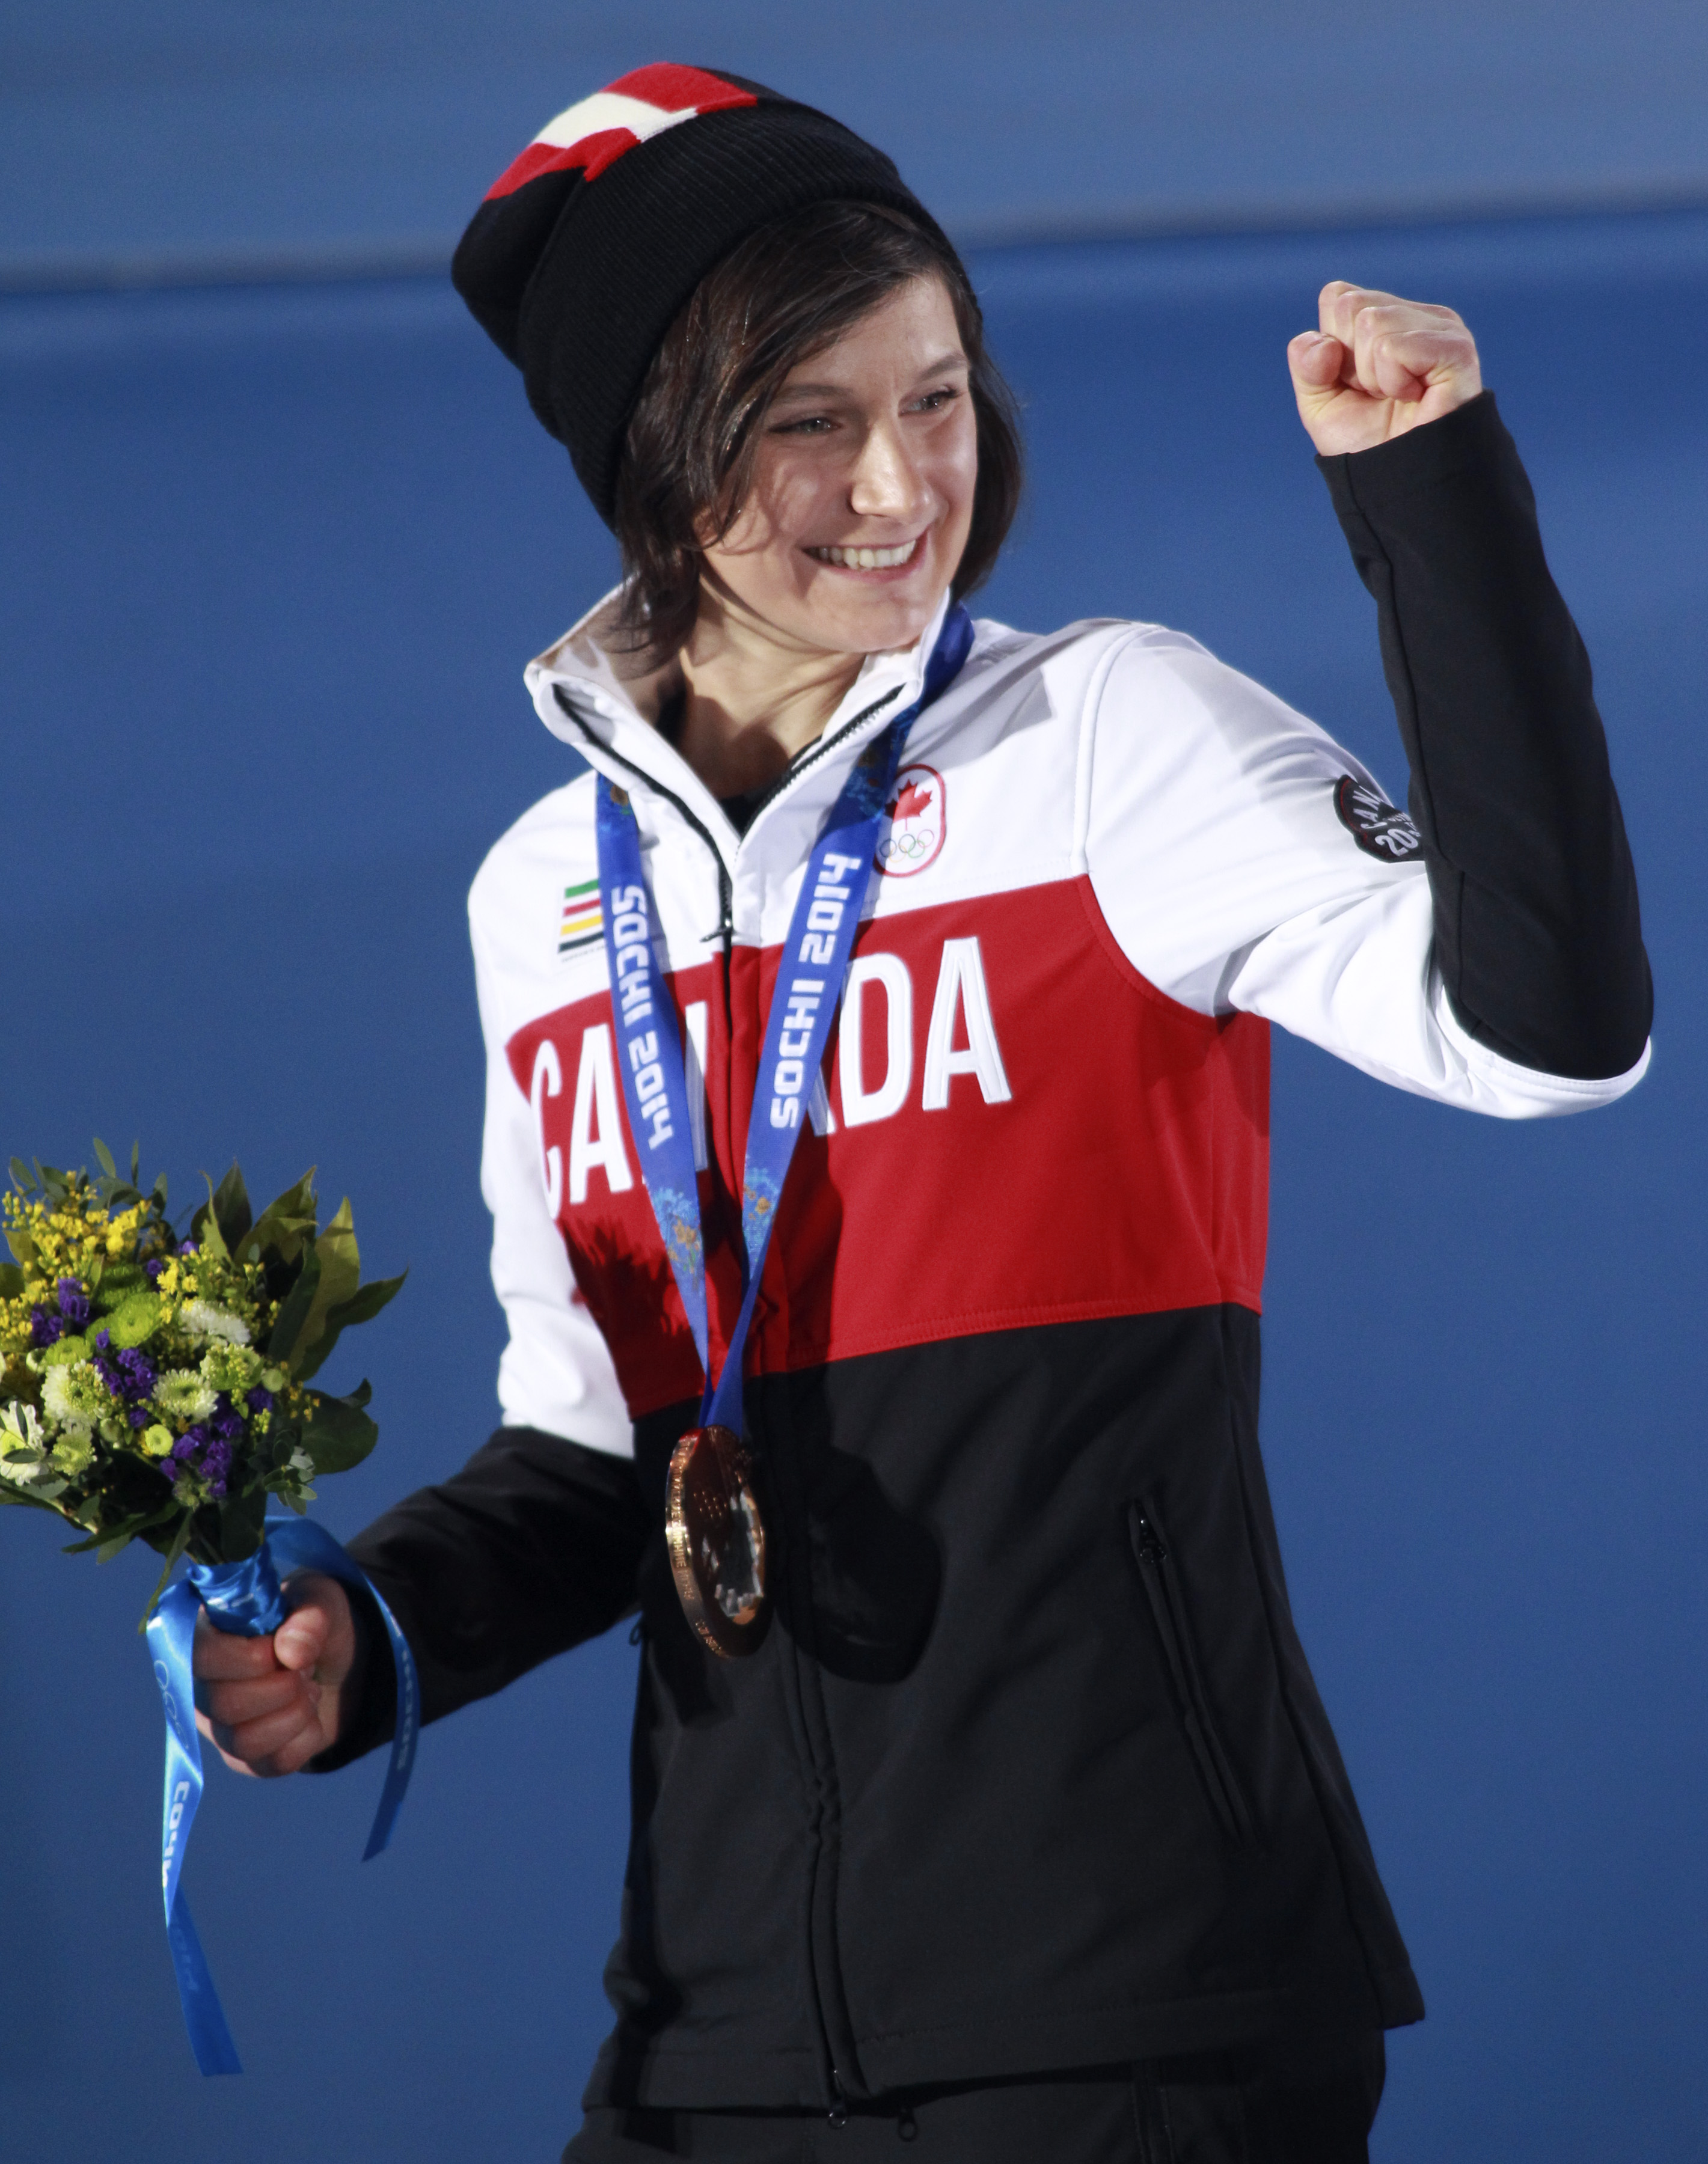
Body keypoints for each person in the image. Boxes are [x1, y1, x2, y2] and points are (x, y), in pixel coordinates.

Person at [193, 64, 1651, 2164]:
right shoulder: (544, 897)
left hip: (1133, 2012)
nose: (900, 483)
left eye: (939, 398)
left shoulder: (1106, 736)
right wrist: (378, 1633)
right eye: (811, 420)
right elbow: (601, 1452)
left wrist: (1436, 508)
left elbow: (1545, 1032)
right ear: (650, 451)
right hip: (713, 2030)